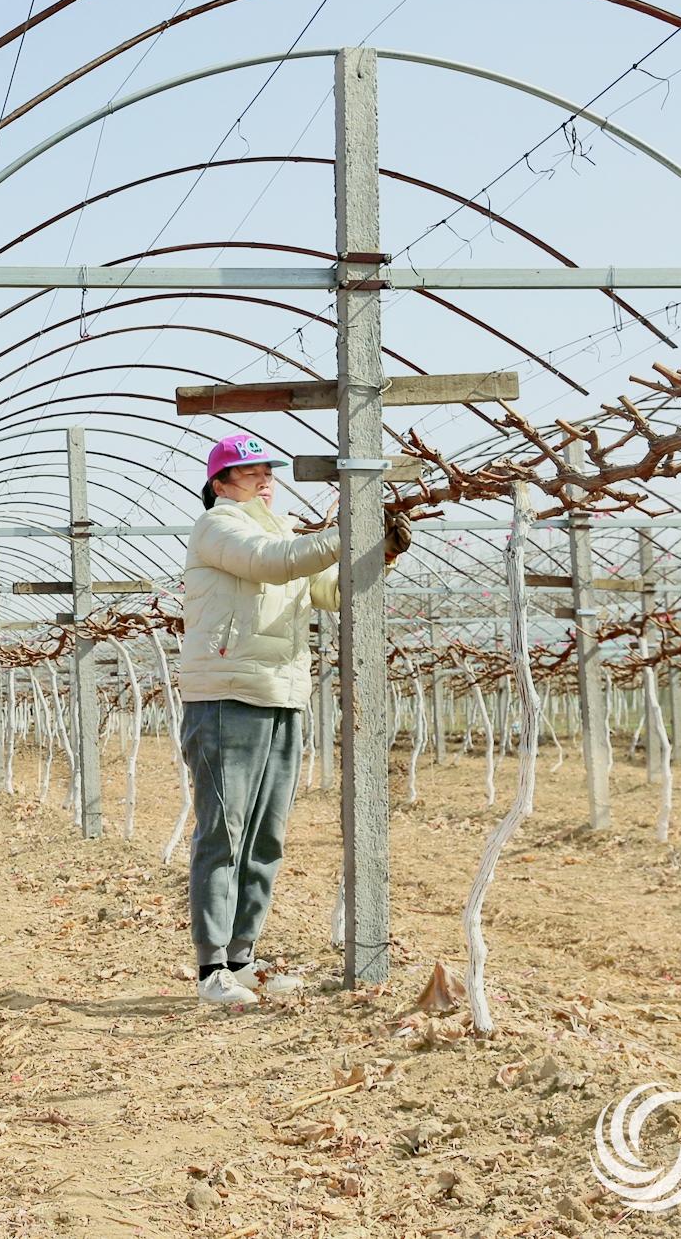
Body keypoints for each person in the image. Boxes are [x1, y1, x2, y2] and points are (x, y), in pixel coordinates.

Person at [178, 431, 408, 1008]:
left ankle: (243, 960)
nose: (265, 478)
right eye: (251, 470)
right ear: (220, 483)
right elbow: (271, 566)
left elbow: (330, 590)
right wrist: (349, 532)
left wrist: (380, 553)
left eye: (267, 469)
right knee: (223, 834)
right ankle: (212, 971)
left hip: (280, 693)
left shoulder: (279, 532)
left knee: (264, 837)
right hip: (228, 695)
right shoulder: (220, 527)